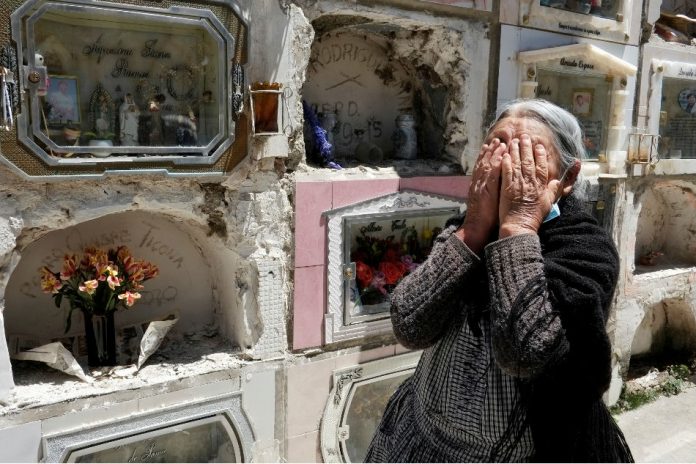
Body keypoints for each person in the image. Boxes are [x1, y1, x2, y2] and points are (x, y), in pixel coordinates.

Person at [365, 99, 633, 462]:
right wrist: (473, 231)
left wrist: (519, 227)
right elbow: (409, 325)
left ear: (567, 178)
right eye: (497, 149)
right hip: (419, 438)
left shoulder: (585, 248)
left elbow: (526, 353)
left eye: (527, 155)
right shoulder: (468, 226)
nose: (507, 166)